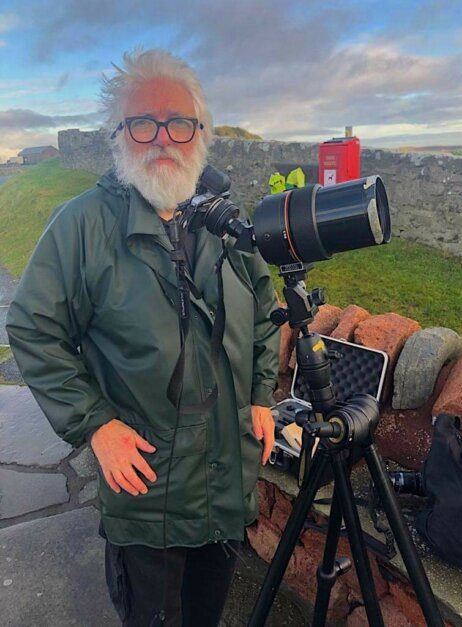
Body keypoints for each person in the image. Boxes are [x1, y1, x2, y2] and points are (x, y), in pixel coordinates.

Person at [6, 48, 280, 626]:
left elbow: (262, 308)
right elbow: (33, 327)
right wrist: (95, 424)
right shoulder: (82, 227)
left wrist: (260, 391)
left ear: (200, 134)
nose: (163, 138)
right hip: (147, 491)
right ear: (118, 134)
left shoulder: (224, 225)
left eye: (179, 123)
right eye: (143, 122)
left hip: (225, 483)